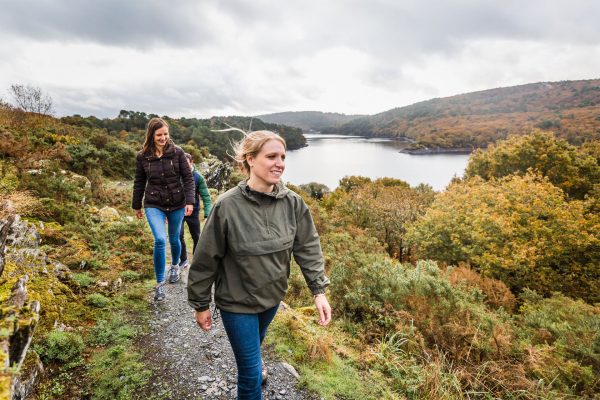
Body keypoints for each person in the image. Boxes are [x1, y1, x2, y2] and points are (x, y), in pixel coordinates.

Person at [187, 130, 332, 400]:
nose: (280, 163)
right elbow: (206, 259)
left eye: (283, 157)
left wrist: (318, 291)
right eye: (271, 156)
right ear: (250, 159)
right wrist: (200, 303)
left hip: (272, 299)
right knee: (250, 375)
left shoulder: (293, 204)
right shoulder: (227, 206)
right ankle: (253, 369)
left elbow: (308, 248)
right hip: (236, 303)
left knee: (253, 350)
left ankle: (253, 361)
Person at [132, 117, 194, 301]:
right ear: (151, 135)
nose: (163, 138)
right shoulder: (142, 156)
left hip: (177, 203)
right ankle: (159, 284)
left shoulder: (177, 152)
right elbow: (139, 181)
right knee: (160, 239)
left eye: (165, 134)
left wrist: (189, 202)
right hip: (153, 203)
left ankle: (175, 266)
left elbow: (188, 179)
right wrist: (136, 205)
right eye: (159, 134)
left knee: (174, 239)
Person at [178, 152, 212, 270]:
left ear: (192, 162)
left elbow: (206, 197)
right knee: (179, 235)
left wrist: (207, 214)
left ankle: (196, 261)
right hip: (178, 211)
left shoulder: (198, 177)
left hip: (193, 212)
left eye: (186, 164)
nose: (184, 167)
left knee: (197, 236)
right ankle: (183, 260)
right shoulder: (176, 175)